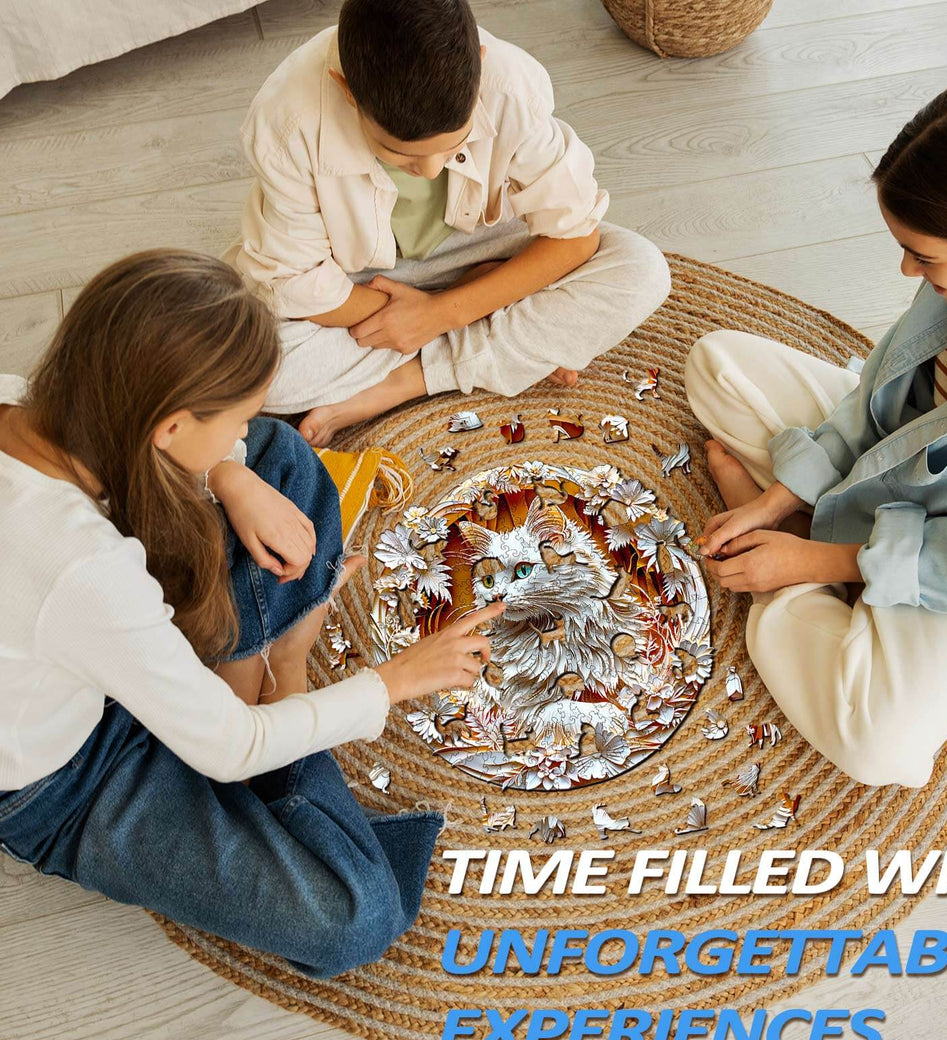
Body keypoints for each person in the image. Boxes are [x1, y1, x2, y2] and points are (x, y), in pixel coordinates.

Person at [0, 250, 504, 978]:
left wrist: (231, 472)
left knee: (278, 457)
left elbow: (223, 450)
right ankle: (284, 664)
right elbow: (228, 748)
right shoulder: (84, 568)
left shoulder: (26, 399)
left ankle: (245, 676)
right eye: (232, 415)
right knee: (351, 917)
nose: (242, 427)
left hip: (81, 641)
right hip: (68, 779)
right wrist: (389, 683)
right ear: (168, 428)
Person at [684, 71, 947, 788]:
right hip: (905, 455)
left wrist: (804, 567)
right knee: (716, 364)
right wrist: (781, 497)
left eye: (924, 257)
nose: (906, 270)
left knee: (882, 749)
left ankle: (795, 581)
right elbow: (877, 393)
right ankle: (811, 532)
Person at [225, 0, 670, 447]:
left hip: (487, 245)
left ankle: (407, 381)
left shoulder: (510, 84)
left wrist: (441, 313)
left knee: (642, 270)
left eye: (454, 144)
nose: (433, 171)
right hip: (356, 279)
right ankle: (504, 338)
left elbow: (575, 237)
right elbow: (299, 285)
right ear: (348, 92)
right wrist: (468, 307)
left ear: (478, 62)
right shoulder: (286, 123)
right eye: (401, 153)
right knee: (255, 366)